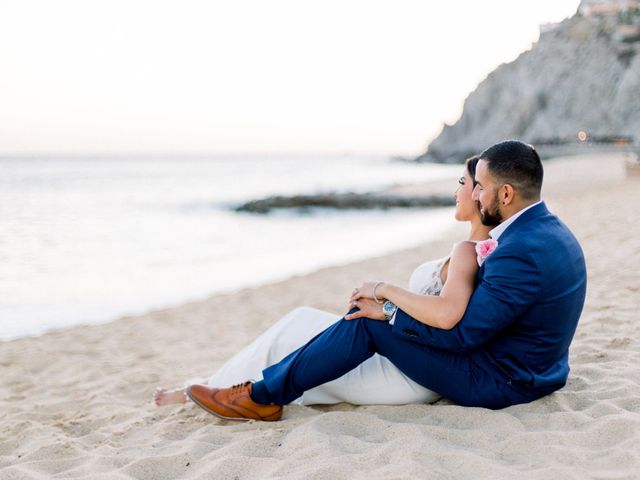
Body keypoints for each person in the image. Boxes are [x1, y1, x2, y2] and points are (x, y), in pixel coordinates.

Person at [188, 140, 587, 421]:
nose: (474, 194)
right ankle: (261, 389)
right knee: (366, 318)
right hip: (536, 369)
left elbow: (461, 335)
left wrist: (389, 311)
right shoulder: (550, 230)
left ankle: (261, 397)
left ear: (504, 194)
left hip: (503, 382)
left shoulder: (519, 251)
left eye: (479, 187)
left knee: (364, 323)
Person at [154, 154, 491, 407]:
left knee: (290, 337)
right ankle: (219, 386)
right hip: (406, 357)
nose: (455, 191)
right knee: (298, 327)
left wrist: (385, 292)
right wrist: (385, 306)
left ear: (478, 194)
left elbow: (447, 314)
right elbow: (435, 311)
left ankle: (217, 393)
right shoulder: (471, 249)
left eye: (461, 183)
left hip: (404, 374)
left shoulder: (467, 251)